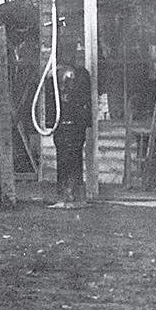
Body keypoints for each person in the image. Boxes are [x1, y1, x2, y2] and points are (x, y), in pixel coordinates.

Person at [51, 62, 92, 206]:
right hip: (63, 125)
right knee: (65, 158)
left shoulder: (80, 74)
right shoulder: (56, 74)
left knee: (73, 157)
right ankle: (65, 192)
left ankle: (72, 192)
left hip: (74, 125)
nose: (65, 89)